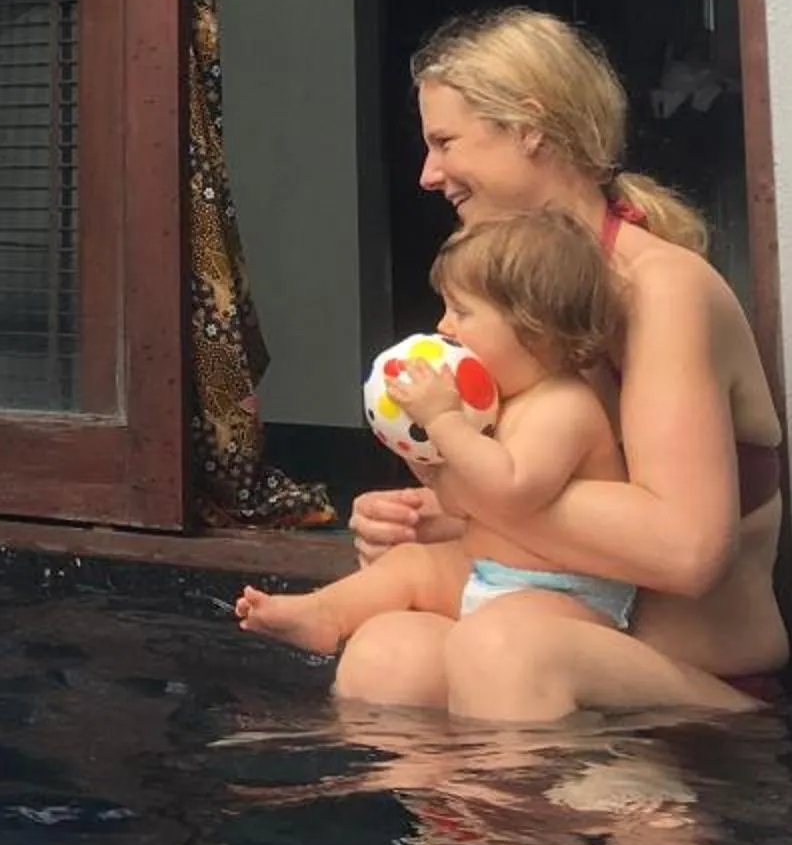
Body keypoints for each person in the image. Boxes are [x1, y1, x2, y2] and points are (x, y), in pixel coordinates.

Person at [338, 9, 786, 722]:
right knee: (384, 654)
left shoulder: (659, 288)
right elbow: (532, 513)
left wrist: (472, 493)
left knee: (507, 649)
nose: (427, 175)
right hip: (548, 647)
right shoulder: (503, 305)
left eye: (445, 141)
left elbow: (684, 550)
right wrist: (428, 516)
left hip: (697, 690)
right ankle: (469, 835)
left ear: (529, 127)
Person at [237, 210, 632, 656]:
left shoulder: (564, 406)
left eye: (461, 311)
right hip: (491, 575)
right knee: (409, 564)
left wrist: (444, 421)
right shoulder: (501, 404)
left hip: (567, 596)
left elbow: (510, 493)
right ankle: (326, 613)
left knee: (502, 638)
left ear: (532, 326)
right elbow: (463, 501)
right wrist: (419, 444)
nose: (444, 326)